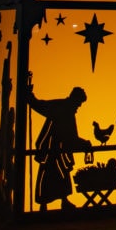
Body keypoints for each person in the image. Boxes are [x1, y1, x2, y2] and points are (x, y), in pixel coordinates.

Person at [26, 82, 93, 211]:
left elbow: (71, 137)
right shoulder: (60, 107)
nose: (79, 107)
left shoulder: (68, 111)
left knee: (62, 175)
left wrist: (83, 143)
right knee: (48, 176)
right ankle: (44, 203)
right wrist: (29, 95)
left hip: (61, 150)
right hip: (52, 149)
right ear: (75, 99)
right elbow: (40, 105)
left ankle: (63, 200)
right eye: (79, 103)